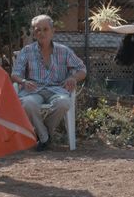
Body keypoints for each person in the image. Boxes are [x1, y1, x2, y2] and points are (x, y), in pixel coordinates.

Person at [11, 14, 86, 151]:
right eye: (37, 30)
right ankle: (45, 137)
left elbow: (82, 69)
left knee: (64, 102)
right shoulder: (27, 51)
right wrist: (23, 81)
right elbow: (15, 74)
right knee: (28, 103)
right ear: (34, 33)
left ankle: (43, 133)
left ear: (53, 31)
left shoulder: (64, 51)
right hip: (34, 89)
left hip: (57, 89)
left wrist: (73, 78)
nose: (41, 33)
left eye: (45, 29)